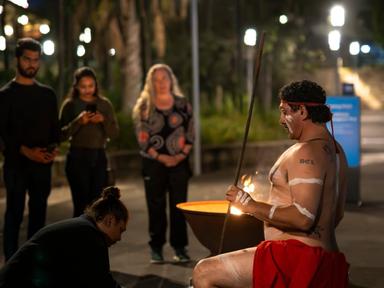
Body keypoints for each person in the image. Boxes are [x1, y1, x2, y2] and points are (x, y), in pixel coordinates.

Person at [192, 80, 349, 287]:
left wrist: (250, 205)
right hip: (326, 257)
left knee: (204, 272)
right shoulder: (337, 151)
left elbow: (304, 217)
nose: (280, 120)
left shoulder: (306, 152)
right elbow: (336, 215)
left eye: (285, 112)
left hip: (298, 259)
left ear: (302, 111)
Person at [0, 38, 59, 261]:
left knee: (38, 217)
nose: (31, 64)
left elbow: (54, 130)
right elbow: (3, 134)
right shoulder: (5, 95)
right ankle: (10, 265)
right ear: (18, 59)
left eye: (36, 60)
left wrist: (52, 151)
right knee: (14, 215)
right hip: (16, 166)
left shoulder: (47, 95)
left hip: (42, 166)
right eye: (27, 59)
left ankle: (34, 264)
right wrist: (24, 151)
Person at [0, 186, 128, 288]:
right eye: (120, 230)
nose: (119, 238)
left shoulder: (82, 227)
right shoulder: (91, 236)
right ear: (109, 220)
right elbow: (102, 282)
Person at [132, 63, 194, 264]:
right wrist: (161, 157)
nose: (161, 83)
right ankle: (156, 248)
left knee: (179, 206)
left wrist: (179, 156)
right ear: (151, 83)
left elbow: (191, 133)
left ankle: (180, 248)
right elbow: (142, 138)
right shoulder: (144, 106)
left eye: (164, 78)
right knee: (155, 206)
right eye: (156, 80)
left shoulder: (183, 104)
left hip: (180, 163)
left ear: (171, 80)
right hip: (153, 164)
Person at [59, 67, 119, 217]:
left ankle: (95, 238)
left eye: (91, 86)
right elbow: (60, 135)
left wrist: (103, 120)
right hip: (77, 156)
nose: (87, 90)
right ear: (76, 86)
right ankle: (79, 237)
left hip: (98, 155)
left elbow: (115, 133)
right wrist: (78, 121)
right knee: (80, 204)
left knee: (97, 204)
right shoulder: (70, 105)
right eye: (83, 86)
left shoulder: (104, 104)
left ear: (96, 85)